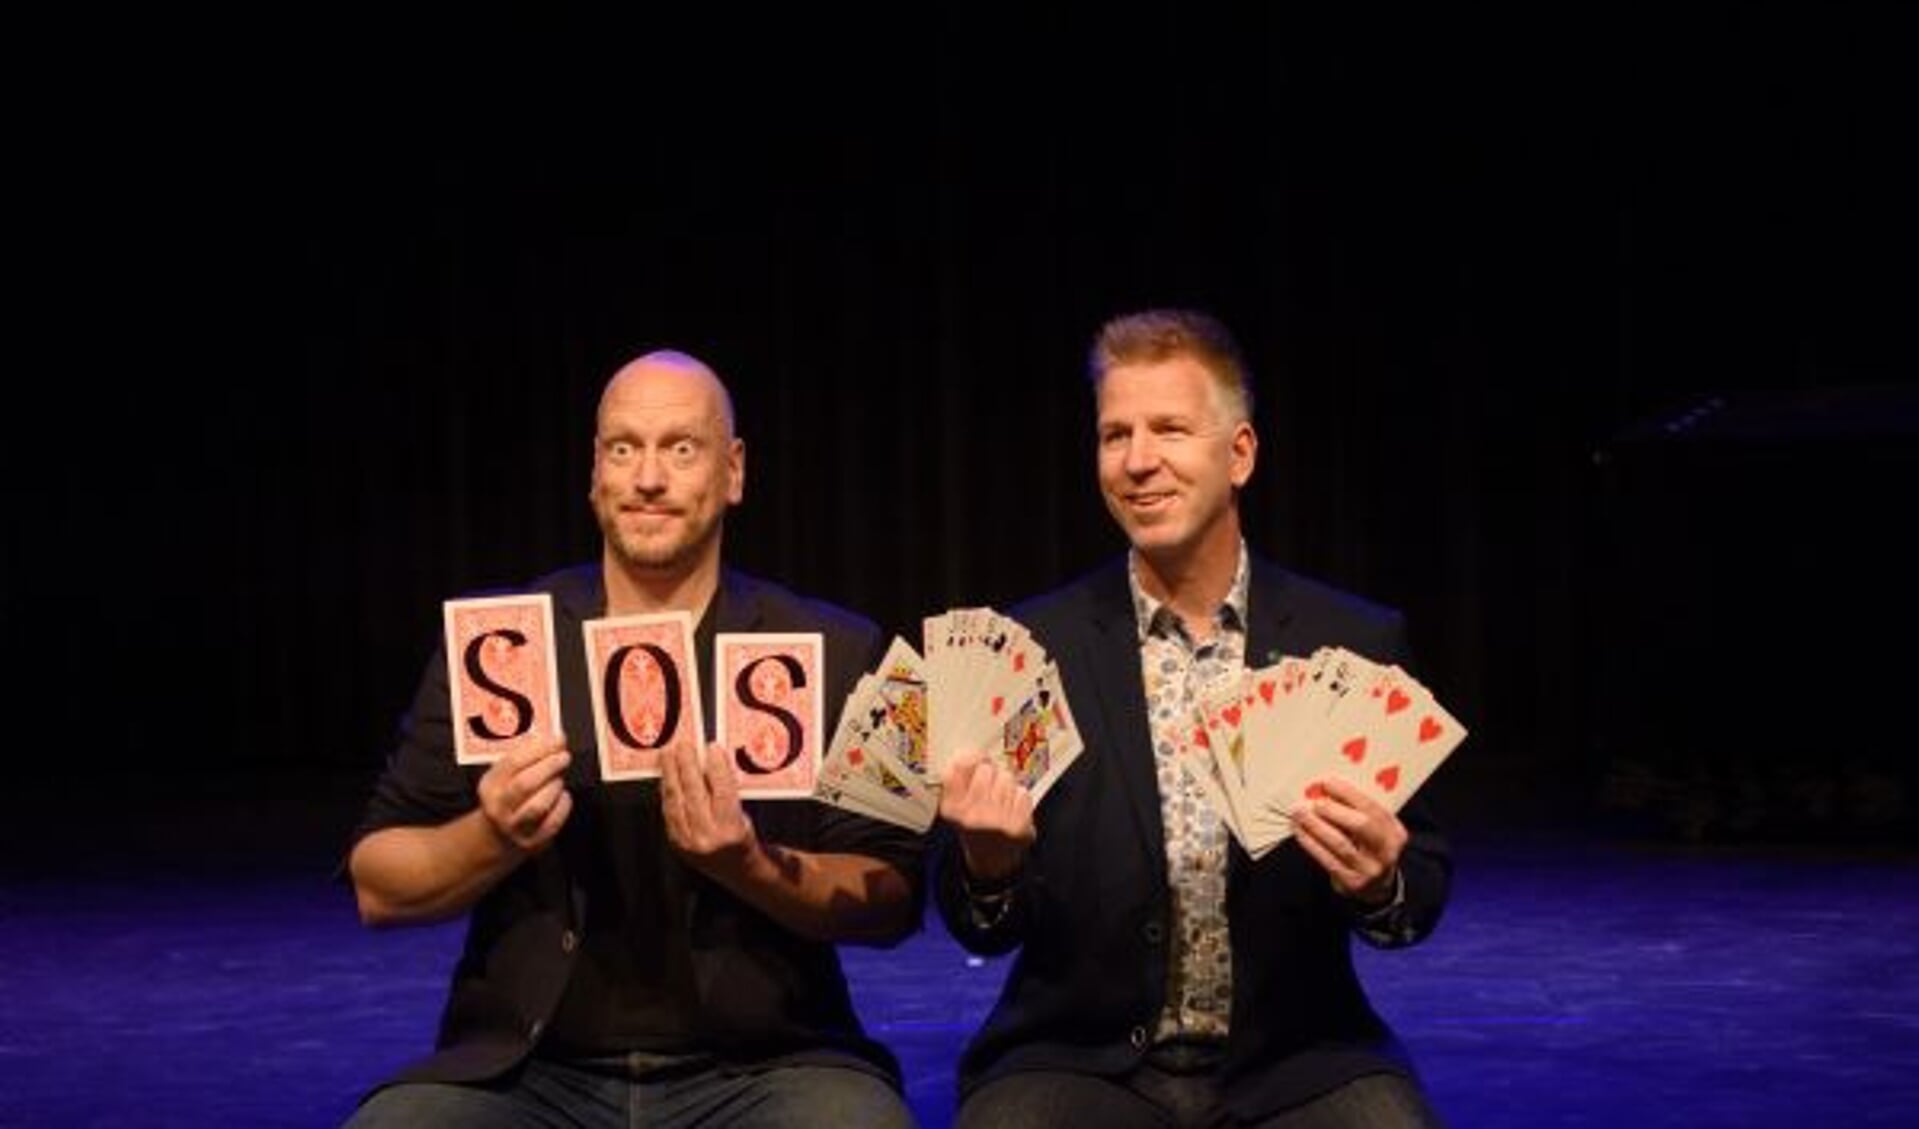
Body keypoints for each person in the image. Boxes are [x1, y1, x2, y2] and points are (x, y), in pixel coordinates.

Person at [343, 350, 923, 1128]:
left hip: (764, 1068)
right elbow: (378, 881)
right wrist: (492, 834)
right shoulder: (503, 645)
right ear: (594, 474)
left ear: (734, 470)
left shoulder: (838, 646)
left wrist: (748, 865)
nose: (648, 478)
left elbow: (892, 896)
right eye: (623, 448)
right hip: (529, 1072)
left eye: (681, 448)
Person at [935, 309, 1452, 1128]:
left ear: (1238, 453)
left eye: (1169, 429)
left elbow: (1415, 892)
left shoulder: (1349, 640)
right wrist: (987, 870)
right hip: (1083, 1060)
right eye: (1114, 435)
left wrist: (1380, 882)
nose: (1138, 462)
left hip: (1294, 1063)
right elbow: (982, 925)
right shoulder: (1036, 647)